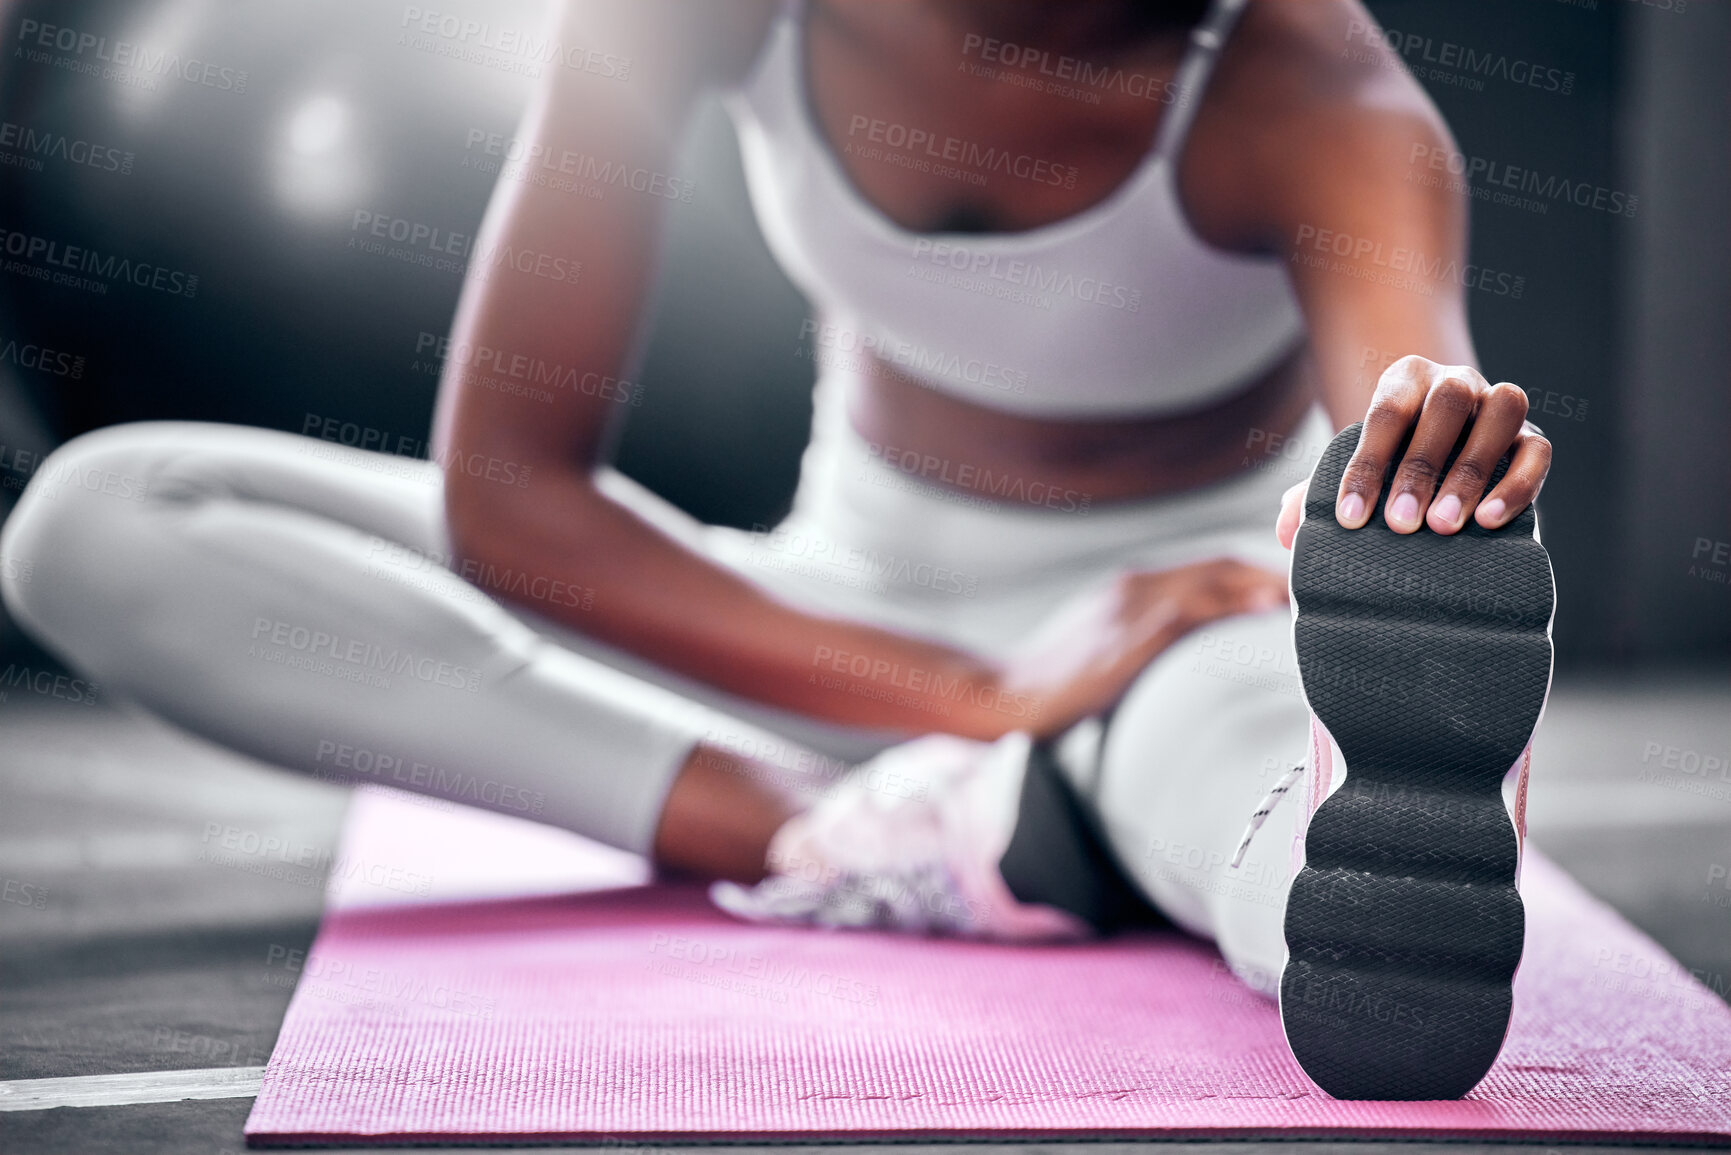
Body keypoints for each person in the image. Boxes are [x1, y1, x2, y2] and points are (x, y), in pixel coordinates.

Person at [0, 0, 1552, 1096]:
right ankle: (838, 829)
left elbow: (1403, 468)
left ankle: (1205, 832)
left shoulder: (1319, 94)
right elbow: (513, 499)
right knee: (104, 518)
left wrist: (1440, 478)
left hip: (1174, 639)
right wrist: (974, 692)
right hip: (832, 619)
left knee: (1303, 854)